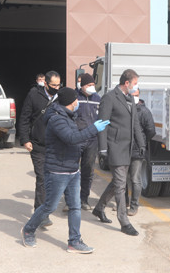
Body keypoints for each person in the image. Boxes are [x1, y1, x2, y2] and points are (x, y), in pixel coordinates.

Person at [21, 87, 109, 253]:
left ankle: (74, 241)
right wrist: (93, 129)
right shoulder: (56, 119)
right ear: (71, 101)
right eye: (76, 99)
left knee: (75, 207)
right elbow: (71, 138)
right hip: (57, 171)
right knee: (50, 206)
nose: (78, 102)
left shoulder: (69, 117)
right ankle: (28, 230)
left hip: (72, 170)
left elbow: (75, 140)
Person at [92, 69, 145, 236]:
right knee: (121, 185)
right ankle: (124, 221)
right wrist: (102, 148)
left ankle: (99, 208)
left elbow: (135, 123)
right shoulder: (110, 97)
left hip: (128, 148)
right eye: (135, 83)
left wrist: (141, 143)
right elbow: (102, 123)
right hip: (115, 147)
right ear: (126, 83)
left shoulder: (129, 98)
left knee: (117, 182)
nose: (136, 86)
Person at [18, 70, 61, 226]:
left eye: (59, 85)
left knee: (53, 179)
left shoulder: (60, 97)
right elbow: (24, 118)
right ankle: (41, 214)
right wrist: (25, 139)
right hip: (38, 144)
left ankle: (45, 209)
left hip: (56, 146)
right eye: (53, 85)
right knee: (42, 178)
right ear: (45, 84)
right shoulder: (34, 95)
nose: (56, 88)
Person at [126, 88, 156, 216]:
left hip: (137, 150)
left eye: (136, 95)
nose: (134, 97)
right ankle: (124, 203)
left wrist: (142, 141)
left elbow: (151, 131)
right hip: (123, 149)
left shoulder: (144, 111)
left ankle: (134, 206)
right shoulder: (124, 109)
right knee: (122, 179)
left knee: (135, 179)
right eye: (131, 94)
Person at [74, 73, 101, 210]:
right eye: (89, 85)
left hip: (92, 140)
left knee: (88, 170)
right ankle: (70, 200)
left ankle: (84, 199)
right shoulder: (75, 98)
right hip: (77, 138)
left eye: (93, 85)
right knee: (72, 170)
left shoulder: (97, 98)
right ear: (82, 86)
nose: (92, 87)